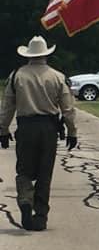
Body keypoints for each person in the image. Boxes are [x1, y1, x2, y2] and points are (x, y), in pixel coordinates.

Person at [0, 35, 77, 231]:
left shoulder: (16, 75)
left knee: (24, 169)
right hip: (49, 128)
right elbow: (68, 109)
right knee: (45, 173)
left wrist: (3, 129)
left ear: (28, 54)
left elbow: (7, 106)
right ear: (46, 54)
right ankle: (41, 215)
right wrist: (72, 132)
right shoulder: (58, 77)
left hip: (26, 127)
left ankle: (26, 199)